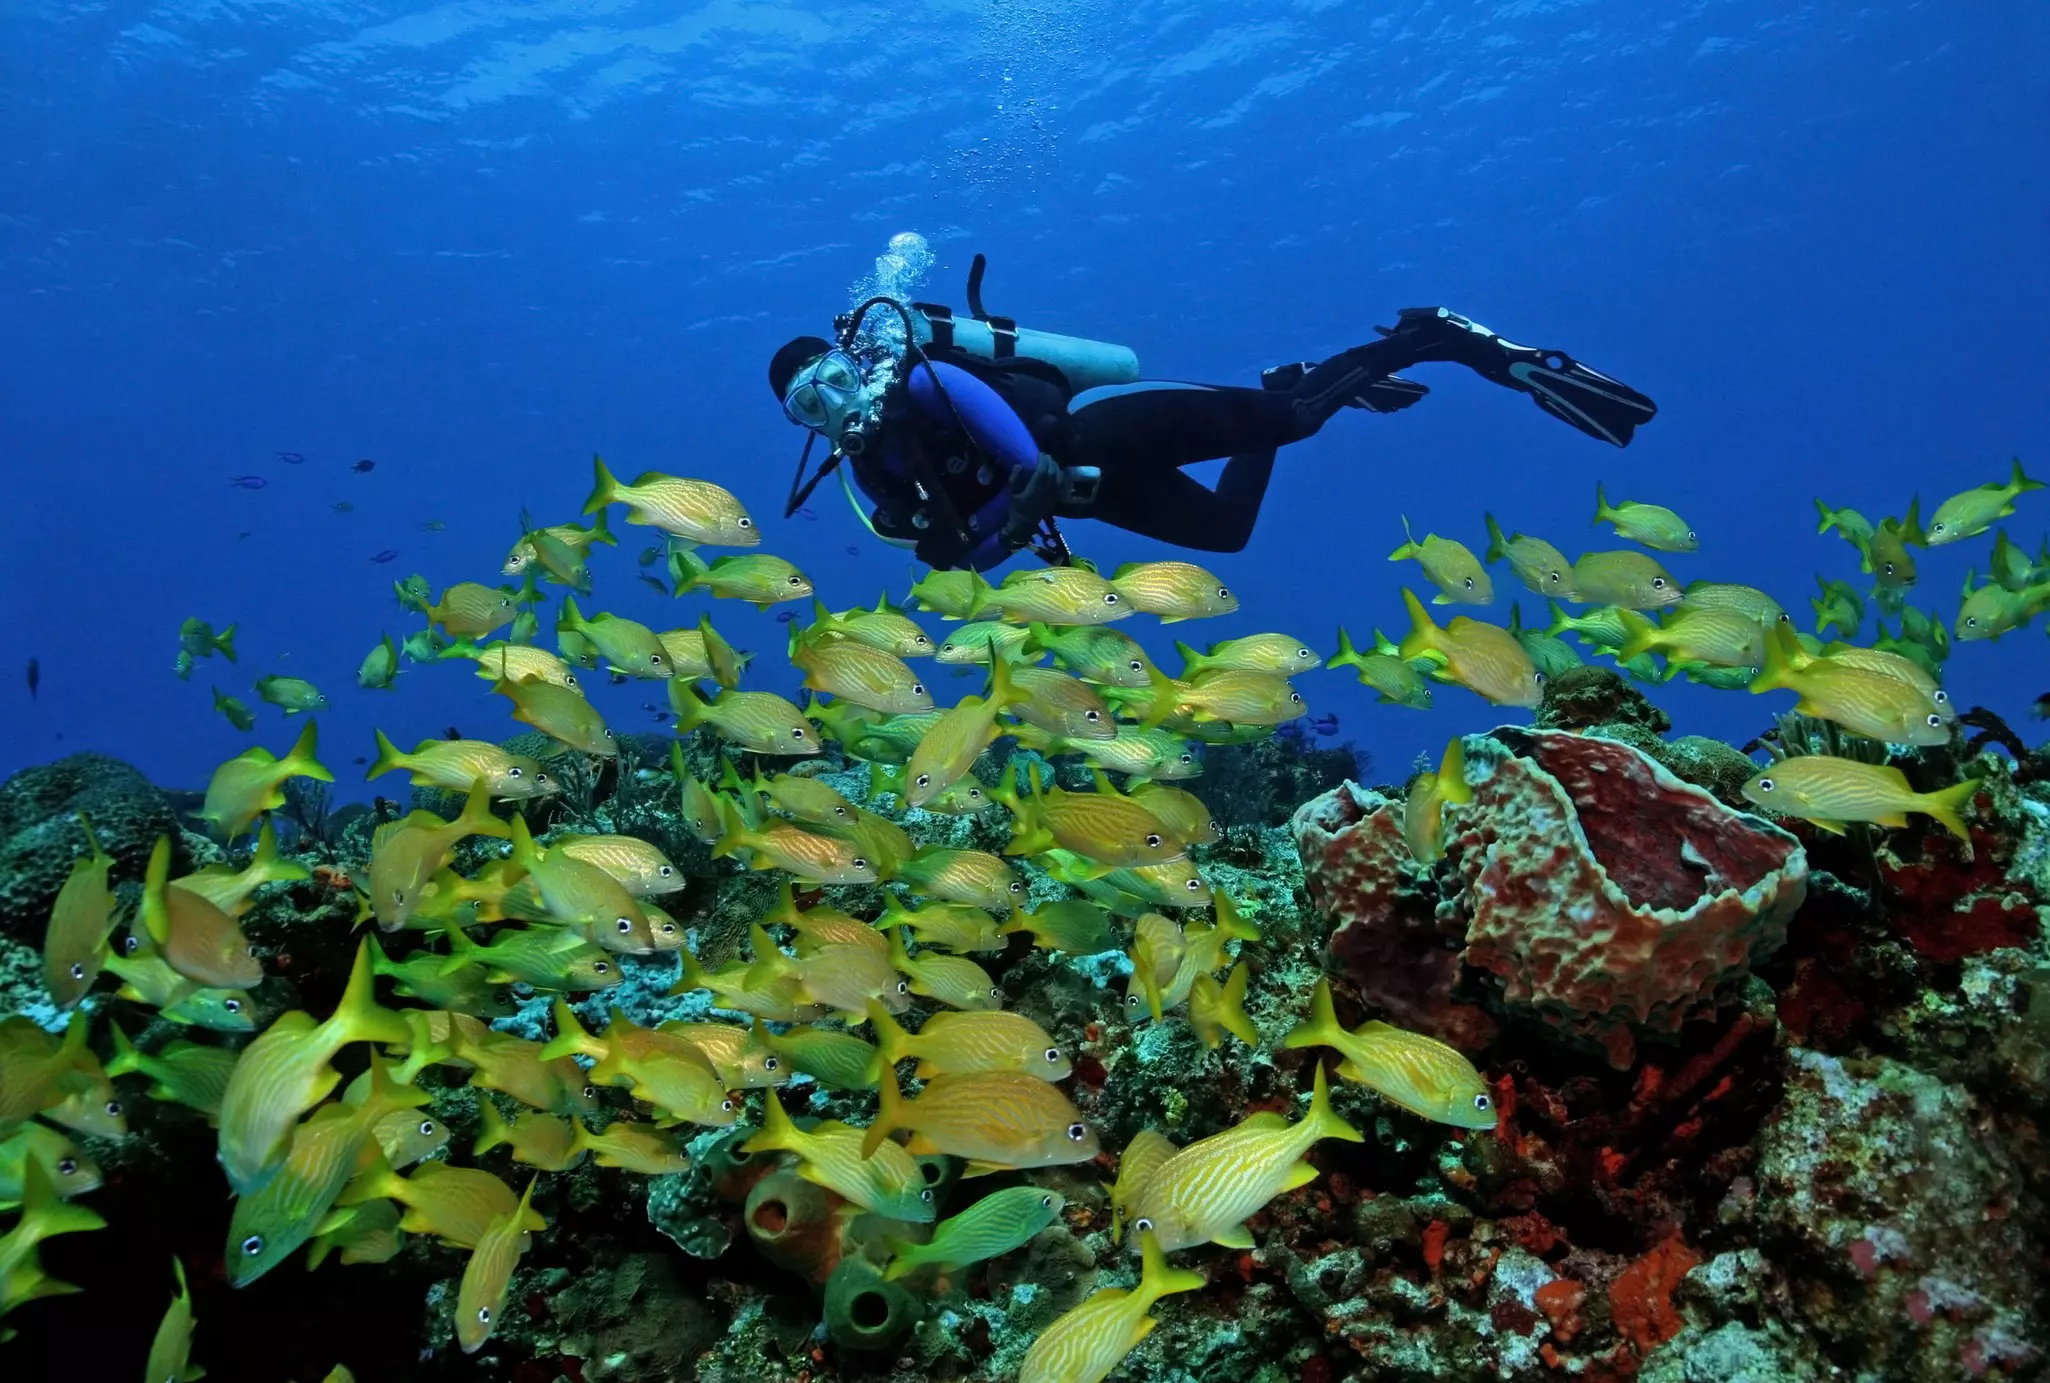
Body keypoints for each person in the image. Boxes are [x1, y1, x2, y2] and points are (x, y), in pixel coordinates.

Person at [767, 262, 1657, 571]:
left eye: (831, 379)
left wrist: (1022, 496)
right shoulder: (866, 476)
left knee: (1300, 420)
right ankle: (1286, 380)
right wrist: (1020, 515)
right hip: (1084, 495)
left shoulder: (917, 383)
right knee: (1229, 533)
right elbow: (953, 553)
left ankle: (1435, 337)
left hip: (1099, 426)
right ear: (801, 422)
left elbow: (994, 428)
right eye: (811, 404)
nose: (833, 402)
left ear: (853, 363)